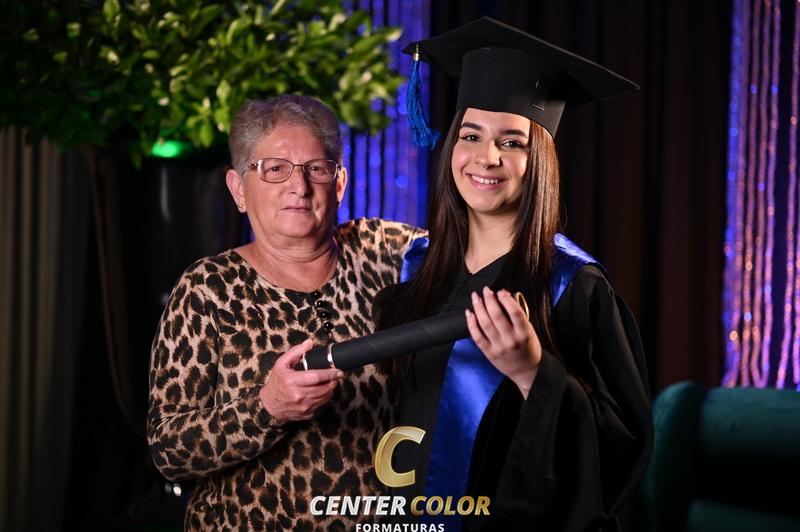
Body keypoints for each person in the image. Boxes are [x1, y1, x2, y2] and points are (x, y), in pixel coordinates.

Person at [376, 18, 653, 531]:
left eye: (512, 142)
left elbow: (621, 450)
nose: (486, 158)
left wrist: (533, 373)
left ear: (539, 160)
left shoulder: (574, 286)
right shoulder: (416, 271)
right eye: (471, 135)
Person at [147, 95, 424, 531]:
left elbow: (473, 254)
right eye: (275, 169)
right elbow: (168, 451)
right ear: (239, 189)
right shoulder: (207, 288)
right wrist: (267, 407)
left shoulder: (383, 251)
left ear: (339, 184)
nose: (299, 186)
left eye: (316, 169)